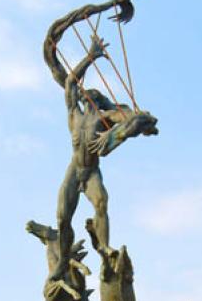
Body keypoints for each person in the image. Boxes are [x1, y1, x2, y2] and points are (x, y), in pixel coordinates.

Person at [50, 35, 158, 281]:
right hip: (74, 170)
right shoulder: (73, 114)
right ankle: (63, 262)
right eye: (85, 95)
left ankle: (104, 247)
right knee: (62, 217)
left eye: (91, 96)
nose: (86, 96)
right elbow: (69, 81)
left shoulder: (106, 116)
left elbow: (130, 117)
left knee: (101, 202)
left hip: (91, 172)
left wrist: (132, 126)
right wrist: (91, 56)